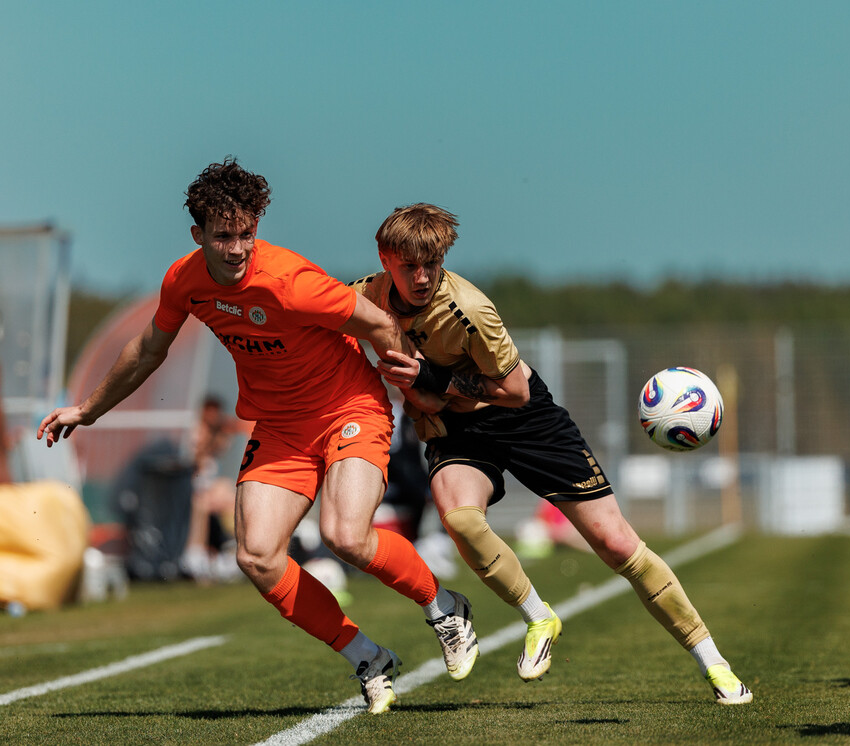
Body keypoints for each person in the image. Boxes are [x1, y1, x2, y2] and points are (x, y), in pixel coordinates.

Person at [37, 159, 478, 714]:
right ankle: (368, 657)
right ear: (198, 236)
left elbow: (381, 324)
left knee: (345, 534)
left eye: (247, 233)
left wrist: (423, 395)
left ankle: (444, 607)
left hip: (350, 406)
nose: (238, 247)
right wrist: (87, 409)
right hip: (281, 424)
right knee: (257, 555)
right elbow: (150, 348)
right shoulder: (184, 280)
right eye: (223, 236)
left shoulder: (291, 281)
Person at [357, 203, 751, 705]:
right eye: (410, 265)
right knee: (459, 517)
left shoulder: (469, 309)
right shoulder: (364, 295)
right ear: (385, 259)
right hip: (456, 428)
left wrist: (437, 380)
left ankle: (714, 664)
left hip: (523, 419)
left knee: (617, 544)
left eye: (432, 263)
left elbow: (516, 390)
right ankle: (538, 616)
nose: (422, 276)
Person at [180, 394, 239, 582]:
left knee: (232, 495)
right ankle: (194, 556)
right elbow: (191, 462)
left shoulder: (217, 435)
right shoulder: (196, 432)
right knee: (203, 503)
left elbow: (222, 446)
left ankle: (232, 552)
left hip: (207, 489)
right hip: (191, 488)